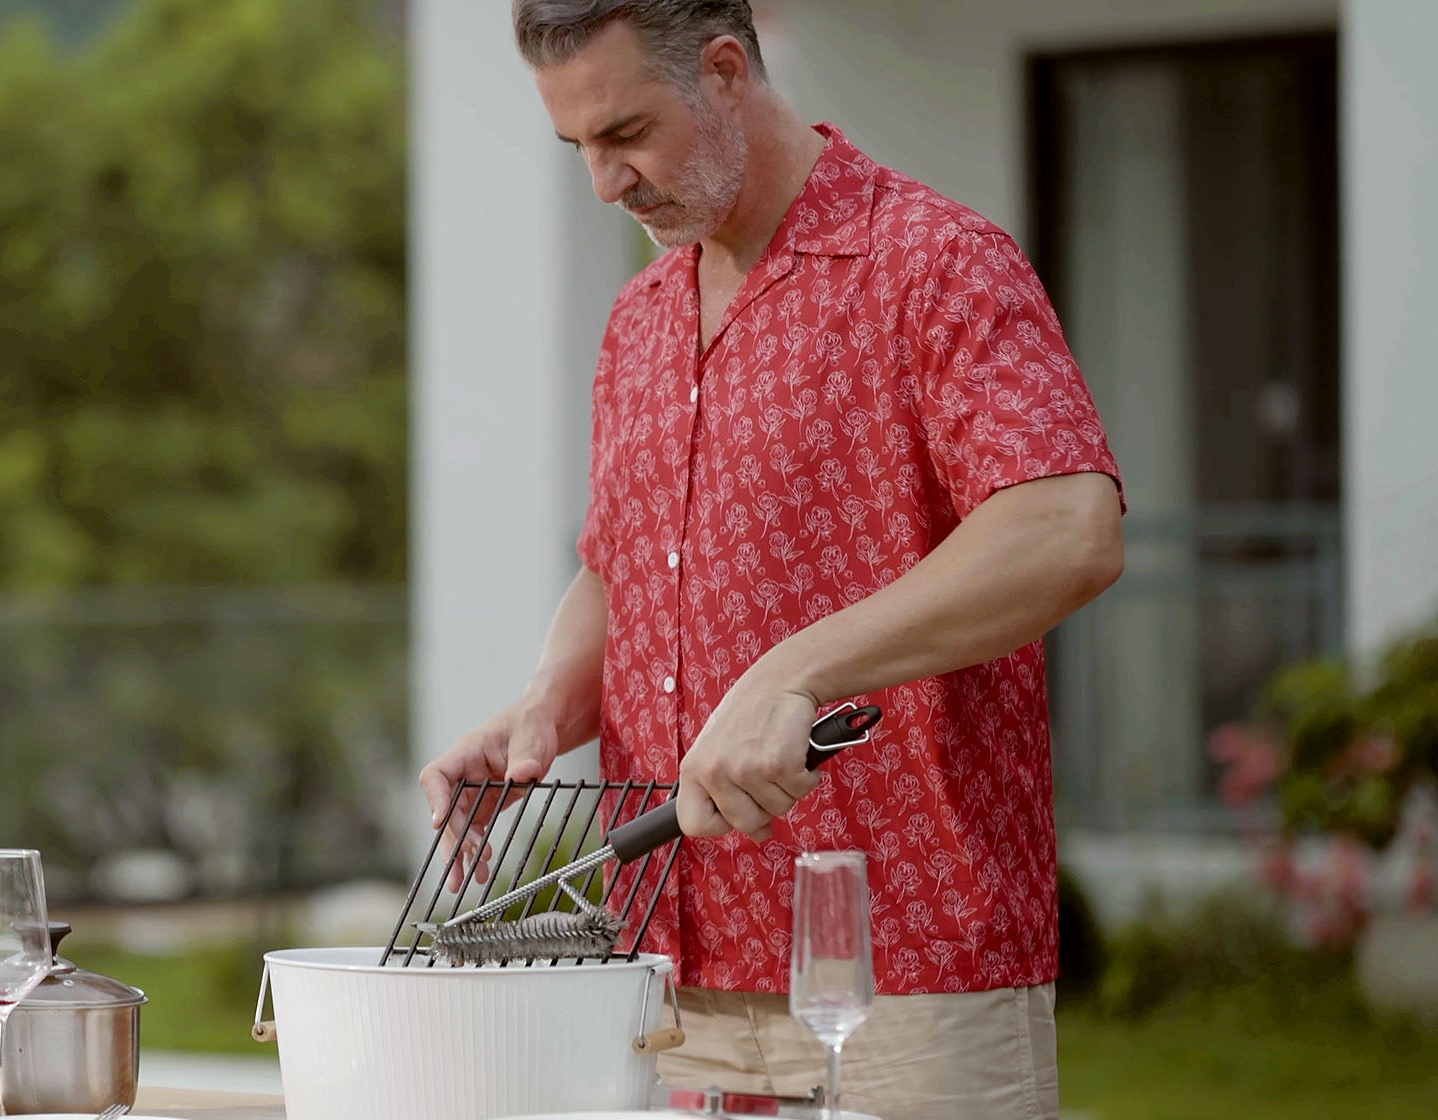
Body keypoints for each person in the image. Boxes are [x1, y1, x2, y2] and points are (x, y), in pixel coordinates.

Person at [417, 3, 1127, 1117]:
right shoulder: (639, 319)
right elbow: (622, 566)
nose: (604, 182)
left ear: (723, 70)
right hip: (670, 972)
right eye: (579, 147)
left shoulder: (935, 263)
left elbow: (1066, 527)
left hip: (902, 972)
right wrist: (545, 709)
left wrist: (794, 670)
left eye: (626, 133)